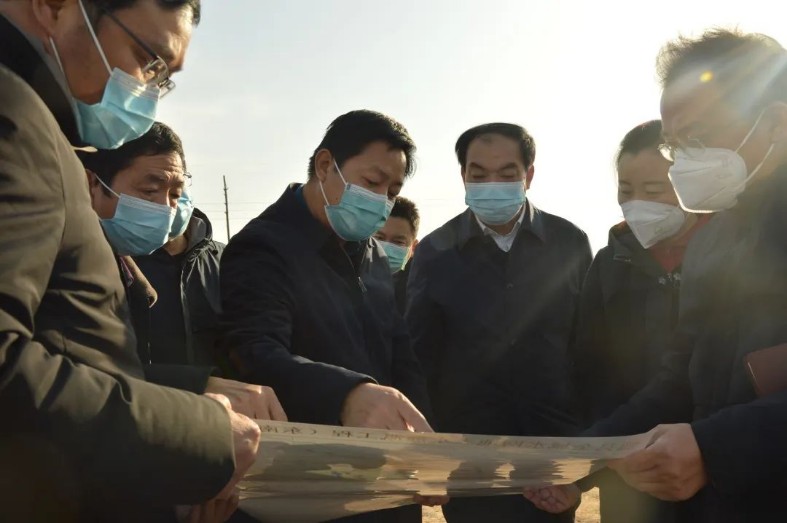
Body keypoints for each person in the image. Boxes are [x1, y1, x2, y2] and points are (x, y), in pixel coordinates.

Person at [0, 2, 260, 521]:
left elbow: (63, 345)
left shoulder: (41, 125)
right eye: (148, 60)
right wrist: (198, 433)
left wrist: (191, 390)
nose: (147, 92)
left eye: (165, 79)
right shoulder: (15, 116)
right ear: (53, 7)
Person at [525, 29, 787, 523]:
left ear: (774, 122)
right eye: (675, 146)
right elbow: (681, 379)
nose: (683, 162)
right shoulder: (716, 237)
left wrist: (715, 447)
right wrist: (584, 457)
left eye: (699, 138)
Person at [219, 109, 440, 522]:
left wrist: (426, 447)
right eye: (372, 183)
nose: (381, 202)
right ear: (325, 165)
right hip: (306, 485)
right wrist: (346, 395)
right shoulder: (263, 247)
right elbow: (254, 353)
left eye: (392, 191)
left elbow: (399, 351)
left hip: (384, 482)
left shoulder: (372, 253)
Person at [406, 122, 592, 523]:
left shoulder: (569, 242)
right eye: (479, 175)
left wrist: (583, 450)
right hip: (472, 457)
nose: (492, 185)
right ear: (463, 176)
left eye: (507, 174)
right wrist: (428, 454)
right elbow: (420, 356)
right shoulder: (436, 253)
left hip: (551, 452)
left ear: (529, 175)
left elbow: (590, 346)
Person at [79, 121, 286, 422]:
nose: (166, 208)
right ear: (93, 184)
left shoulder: (227, 262)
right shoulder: (82, 262)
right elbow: (81, 372)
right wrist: (194, 386)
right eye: (149, 191)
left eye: (176, 194)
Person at [571, 120, 709, 523]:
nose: (636, 204)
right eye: (625, 190)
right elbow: (590, 365)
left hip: (709, 458)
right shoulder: (610, 262)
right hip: (627, 465)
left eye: (652, 190)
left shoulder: (725, 255)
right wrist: (600, 452)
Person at [373, 196, 420, 313]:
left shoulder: (421, 292)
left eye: (398, 242)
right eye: (379, 238)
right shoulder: (348, 277)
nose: (385, 248)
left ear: (414, 247)